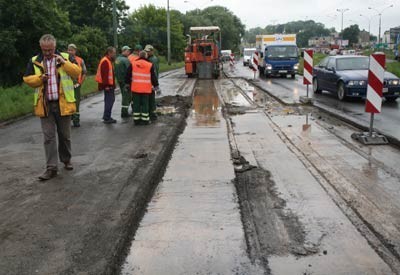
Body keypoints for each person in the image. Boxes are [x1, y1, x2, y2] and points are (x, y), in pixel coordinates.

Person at [23, 34, 81, 180]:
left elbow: (77, 72)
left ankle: (66, 160)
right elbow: (27, 79)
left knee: (65, 136)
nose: (47, 53)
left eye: (50, 50)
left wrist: (64, 63)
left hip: (63, 104)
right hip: (45, 105)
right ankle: (51, 168)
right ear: (41, 48)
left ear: (54, 47)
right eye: (44, 50)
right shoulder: (35, 61)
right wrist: (39, 79)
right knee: (48, 137)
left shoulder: (66, 56)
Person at [125, 51, 159, 125]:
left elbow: (127, 74)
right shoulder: (150, 65)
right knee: (145, 104)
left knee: (136, 104)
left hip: (135, 88)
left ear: (139, 56)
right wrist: (156, 85)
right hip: (146, 89)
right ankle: (145, 120)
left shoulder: (133, 64)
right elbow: (153, 77)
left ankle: (136, 120)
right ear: (146, 56)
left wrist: (127, 83)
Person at [67, 43, 87, 127]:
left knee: (76, 103)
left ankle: (76, 120)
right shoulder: (64, 59)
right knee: (68, 102)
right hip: (66, 86)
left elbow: (84, 72)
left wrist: (80, 83)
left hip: (77, 86)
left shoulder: (80, 60)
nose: (70, 52)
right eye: (69, 50)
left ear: (75, 51)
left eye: (72, 50)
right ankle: (68, 119)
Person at [96, 47, 117, 124]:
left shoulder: (107, 60)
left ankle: (107, 116)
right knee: (109, 101)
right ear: (109, 53)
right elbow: (105, 75)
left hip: (109, 85)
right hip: (108, 86)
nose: (115, 55)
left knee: (110, 100)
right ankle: (107, 117)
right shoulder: (106, 61)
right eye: (114, 53)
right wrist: (106, 86)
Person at [144, 44, 161, 121]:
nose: (147, 53)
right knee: (151, 97)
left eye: (148, 51)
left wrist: (154, 83)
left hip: (151, 81)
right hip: (152, 81)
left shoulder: (152, 60)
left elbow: (153, 72)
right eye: (146, 51)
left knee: (151, 98)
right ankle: (152, 113)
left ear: (152, 51)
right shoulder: (152, 58)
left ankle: (152, 114)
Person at [115, 45, 133, 118]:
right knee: (127, 97)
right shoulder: (126, 60)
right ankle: (124, 113)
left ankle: (124, 111)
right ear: (124, 51)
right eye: (128, 51)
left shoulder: (117, 59)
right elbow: (130, 71)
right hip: (126, 82)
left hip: (120, 81)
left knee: (124, 95)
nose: (129, 52)